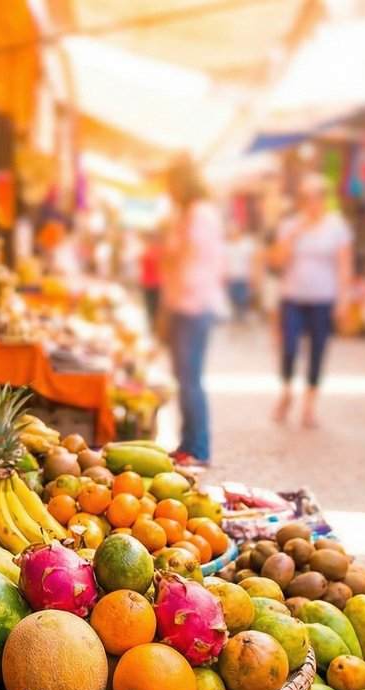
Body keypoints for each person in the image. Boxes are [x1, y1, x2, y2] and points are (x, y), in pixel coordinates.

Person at [270, 173, 353, 428]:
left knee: (318, 350)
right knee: (289, 347)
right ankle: (286, 391)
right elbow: (277, 262)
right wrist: (293, 236)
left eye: (317, 196)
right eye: (307, 197)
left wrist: (343, 300)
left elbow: (344, 266)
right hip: (292, 296)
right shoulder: (290, 225)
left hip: (323, 298)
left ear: (324, 198)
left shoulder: (337, 227)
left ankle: (309, 406)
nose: (312, 202)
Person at [160, 155, 227, 467]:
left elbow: (185, 258)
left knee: (190, 376)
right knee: (185, 375)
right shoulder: (192, 213)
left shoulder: (199, 214)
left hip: (192, 303)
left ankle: (198, 447)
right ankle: (188, 442)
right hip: (185, 302)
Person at [224, 223, 258, 322]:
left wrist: (254, 275)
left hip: (244, 276)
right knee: (232, 298)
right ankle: (235, 316)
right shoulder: (226, 245)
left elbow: (253, 260)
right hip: (231, 277)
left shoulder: (247, 244)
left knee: (243, 299)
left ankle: (241, 316)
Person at [139, 229, 164, 324]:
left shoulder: (158, 250)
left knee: (155, 310)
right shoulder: (148, 249)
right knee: (151, 309)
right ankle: (153, 325)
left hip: (156, 284)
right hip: (148, 283)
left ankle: (154, 325)